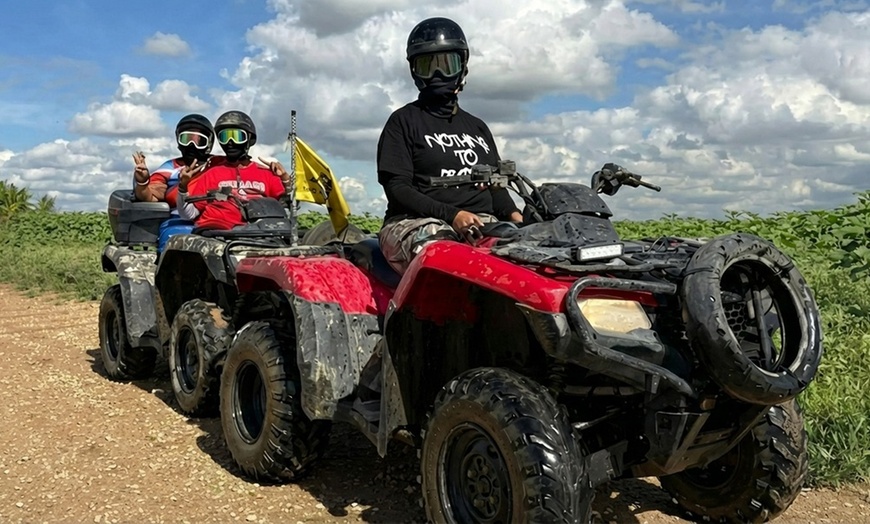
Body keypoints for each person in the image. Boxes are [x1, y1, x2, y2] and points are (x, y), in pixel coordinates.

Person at [376, 16, 523, 274]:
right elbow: (397, 188)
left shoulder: (477, 127)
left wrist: (517, 217)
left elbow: (496, 188)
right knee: (445, 256)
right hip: (415, 223)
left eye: (447, 64)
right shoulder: (402, 121)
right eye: (427, 66)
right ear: (414, 71)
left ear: (462, 66)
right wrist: (453, 215)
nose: (437, 74)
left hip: (480, 224)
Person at [176, 110, 293, 230]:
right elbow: (187, 215)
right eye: (224, 137)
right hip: (215, 234)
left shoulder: (266, 174)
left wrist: (285, 179)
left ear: (249, 139)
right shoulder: (212, 173)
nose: (230, 142)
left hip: (257, 235)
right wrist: (183, 187)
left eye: (237, 136)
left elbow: (288, 208)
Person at [133, 113, 215, 207]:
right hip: (177, 219)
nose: (191, 145)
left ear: (209, 142)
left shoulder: (218, 164)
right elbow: (149, 197)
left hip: (215, 219)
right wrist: (142, 182)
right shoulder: (169, 168)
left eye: (199, 141)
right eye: (185, 139)